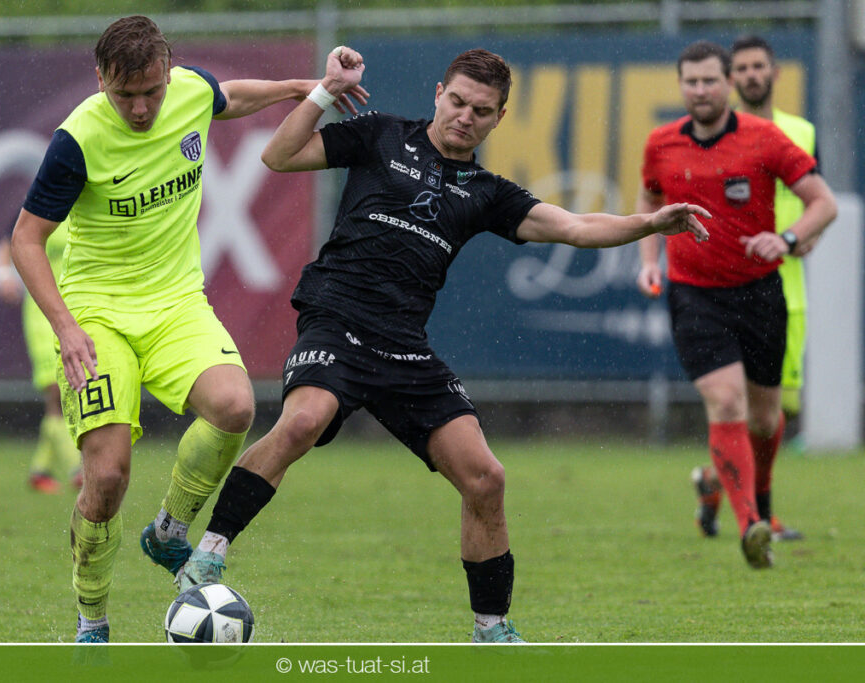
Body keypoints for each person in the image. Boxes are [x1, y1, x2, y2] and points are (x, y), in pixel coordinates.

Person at [176, 46, 711, 644]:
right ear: (438, 93)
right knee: (304, 420)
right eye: (457, 101)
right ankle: (208, 556)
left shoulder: (487, 192)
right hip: (337, 318)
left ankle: (492, 629)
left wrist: (649, 223)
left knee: (485, 478)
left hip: (403, 345)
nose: (464, 116)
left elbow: (575, 226)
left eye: (481, 111)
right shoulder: (381, 135)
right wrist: (324, 92)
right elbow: (278, 156)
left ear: (499, 118)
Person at [9, 15, 368, 643]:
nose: (140, 108)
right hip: (97, 314)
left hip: (175, 304)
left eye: (151, 91)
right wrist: (66, 327)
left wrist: (305, 88)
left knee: (235, 406)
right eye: (124, 94)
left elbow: (230, 96)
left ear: (169, 74)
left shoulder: (190, 91)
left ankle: (169, 530)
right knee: (107, 477)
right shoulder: (77, 140)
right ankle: (92, 617)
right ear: (100, 79)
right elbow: (25, 239)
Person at [636, 41, 837, 569]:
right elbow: (650, 200)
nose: (700, 90)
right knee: (727, 403)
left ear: (728, 84)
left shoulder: (765, 138)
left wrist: (787, 239)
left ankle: (759, 502)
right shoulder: (661, 142)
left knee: (766, 420)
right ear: (681, 85)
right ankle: (750, 524)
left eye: (710, 80)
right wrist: (648, 259)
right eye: (691, 81)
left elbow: (824, 203)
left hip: (760, 292)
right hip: (694, 294)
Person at [690, 35, 815, 543]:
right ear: (730, 78)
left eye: (758, 66)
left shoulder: (801, 131)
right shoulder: (716, 134)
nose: (750, 76)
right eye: (741, 68)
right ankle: (761, 514)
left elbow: (815, 197)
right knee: (736, 405)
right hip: (730, 284)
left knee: (773, 411)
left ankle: (714, 482)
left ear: (775, 72)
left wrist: (801, 235)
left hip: (786, 285)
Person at [0, 230, 82, 494]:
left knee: (71, 392)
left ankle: (40, 470)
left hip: (76, 310)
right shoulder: (44, 209)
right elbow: (8, 242)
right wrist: (4, 276)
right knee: (57, 390)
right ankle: (77, 469)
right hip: (42, 315)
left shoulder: (85, 211)